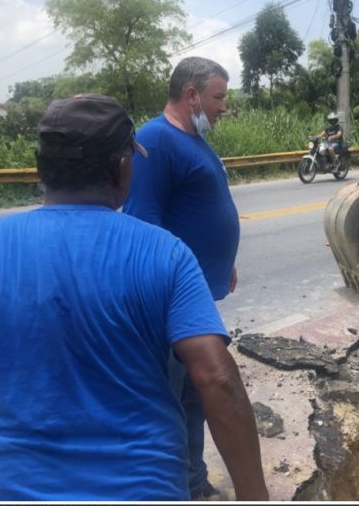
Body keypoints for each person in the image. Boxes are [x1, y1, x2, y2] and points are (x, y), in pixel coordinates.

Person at [0, 94, 267, 501]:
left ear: (41, 168)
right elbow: (217, 379)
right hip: (143, 489)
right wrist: (254, 496)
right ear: (122, 167)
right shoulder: (165, 254)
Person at [123, 57, 238, 500]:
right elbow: (143, 224)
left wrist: (224, 259)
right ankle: (170, 486)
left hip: (197, 297)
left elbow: (199, 209)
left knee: (193, 398)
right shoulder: (155, 139)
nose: (223, 106)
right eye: (218, 97)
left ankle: (192, 479)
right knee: (171, 399)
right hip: (171, 304)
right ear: (192, 95)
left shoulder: (194, 139)